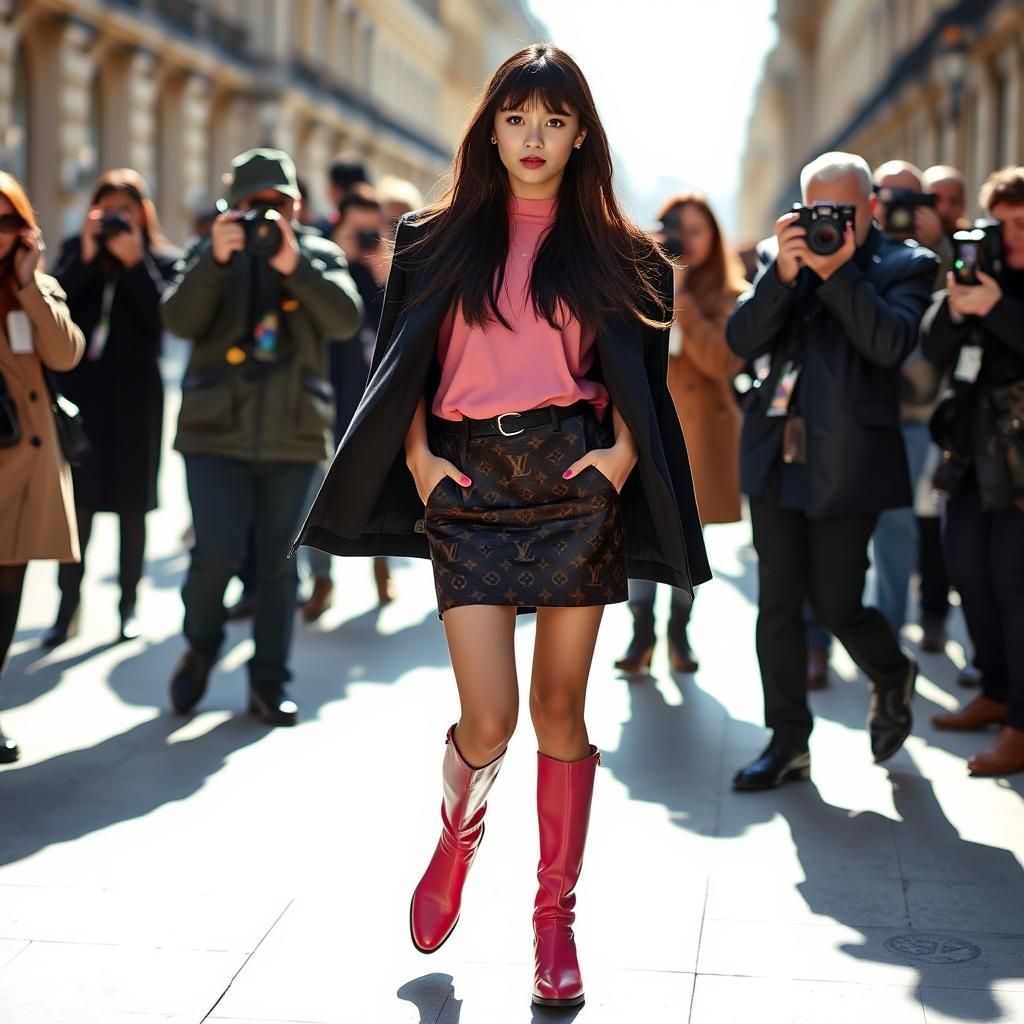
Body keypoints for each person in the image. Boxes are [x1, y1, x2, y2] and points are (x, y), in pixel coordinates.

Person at [292, 45, 709, 1007]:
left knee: (561, 712)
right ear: (489, 128)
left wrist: (619, 460)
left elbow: (643, 390)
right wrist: (417, 460)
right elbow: (398, 365)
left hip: (574, 484)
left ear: (581, 135)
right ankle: (458, 833)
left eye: (554, 122)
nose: (534, 137)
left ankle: (554, 921)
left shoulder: (625, 254)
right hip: (467, 483)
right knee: (488, 718)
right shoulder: (432, 238)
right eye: (517, 117)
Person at [726, 151, 938, 791]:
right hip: (776, 457)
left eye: (842, 210)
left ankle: (891, 672)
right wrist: (782, 276)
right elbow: (741, 340)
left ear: (870, 207)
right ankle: (787, 742)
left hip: (850, 462)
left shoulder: (906, 264)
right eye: (817, 209)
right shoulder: (778, 255)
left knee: (838, 604)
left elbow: (890, 344)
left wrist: (840, 272)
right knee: (778, 606)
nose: (828, 222)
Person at [160, 148, 362, 726]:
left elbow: (344, 321)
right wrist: (214, 261)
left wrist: (294, 264)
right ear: (233, 207)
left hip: (293, 436)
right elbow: (177, 320)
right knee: (214, 555)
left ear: (297, 207)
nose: (268, 216)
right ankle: (201, 647)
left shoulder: (316, 254)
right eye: (256, 204)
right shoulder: (208, 252)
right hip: (213, 433)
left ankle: (269, 682)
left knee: (280, 566)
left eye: (280, 204)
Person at [42, 169, 179, 647]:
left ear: (143, 213)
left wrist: (135, 262)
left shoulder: (162, 260)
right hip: (82, 399)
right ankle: (67, 608)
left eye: (126, 209)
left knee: (132, 507)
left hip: (136, 400)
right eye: (108, 209)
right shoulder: (75, 251)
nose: (117, 219)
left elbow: (167, 319)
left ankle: (128, 606)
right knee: (77, 505)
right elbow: (52, 311)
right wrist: (84, 255)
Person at [616, 192, 747, 674]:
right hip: (644, 423)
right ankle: (641, 633)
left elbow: (722, 361)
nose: (685, 241)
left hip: (701, 435)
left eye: (696, 231)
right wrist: (651, 278)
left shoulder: (731, 293)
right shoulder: (636, 281)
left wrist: (682, 295)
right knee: (637, 529)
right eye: (677, 229)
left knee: (688, 538)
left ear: (714, 236)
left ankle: (679, 632)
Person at [923, 166, 1024, 776]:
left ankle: (1020, 722)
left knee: (1015, 584)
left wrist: (999, 309)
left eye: (1022, 223)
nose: (1010, 235)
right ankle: (995, 689)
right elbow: (930, 348)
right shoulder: (979, 268)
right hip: (967, 453)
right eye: (1002, 222)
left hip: (1019, 462)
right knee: (967, 570)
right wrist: (961, 305)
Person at [0, 171, 85, 762]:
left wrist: (29, 283)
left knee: (8, 592)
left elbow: (66, 353)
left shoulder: (37, 286)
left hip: (25, 462)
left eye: (8, 221)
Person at [868, 160, 949, 652]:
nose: (897, 208)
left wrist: (938, 246)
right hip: (855, 411)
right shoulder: (854, 246)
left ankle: (887, 642)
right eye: (888, 195)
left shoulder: (939, 256)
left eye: (910, 198)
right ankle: (821, 639)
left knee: (898, 529)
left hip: (914, 414)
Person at [923, 165, 969, 235]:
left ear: (963, 205)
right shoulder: (909, 238)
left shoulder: (971, 239)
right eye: (936, 200)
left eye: (954, 201)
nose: (945, 209)